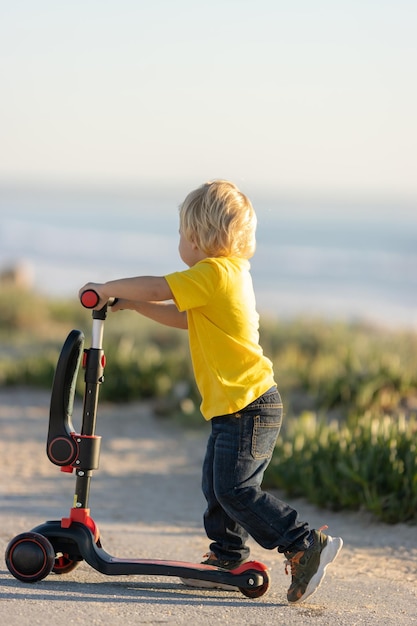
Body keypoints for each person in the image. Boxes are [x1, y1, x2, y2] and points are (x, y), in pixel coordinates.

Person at [79, 179, 343, 604]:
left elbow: (160, 287)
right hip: (237, 407)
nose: (180, 243)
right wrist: (133, 306)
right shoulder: (228, 275)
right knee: (217, 485)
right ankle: (226, 557)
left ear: (198, 239)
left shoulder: (214, 273)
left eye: (182, 235)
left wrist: (110, 288)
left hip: (249, 406)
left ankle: (303, 542)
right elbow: (186, 318)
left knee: (235, 489)